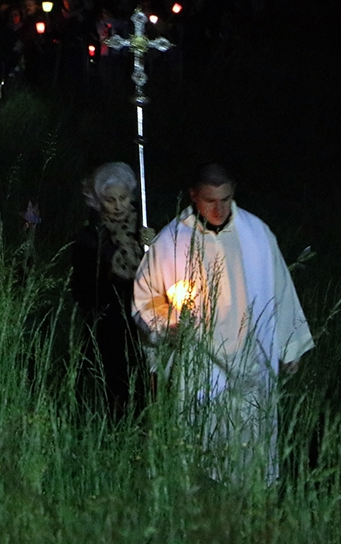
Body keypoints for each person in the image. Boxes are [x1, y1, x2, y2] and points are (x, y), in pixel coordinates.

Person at [132, 162, 314, 484]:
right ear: (193, 196)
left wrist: (290, 345)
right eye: (209, 201)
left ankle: (246, 514)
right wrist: (168, 326)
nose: (218, 209)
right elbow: (146, 301)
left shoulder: (257, 234)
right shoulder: (172, 240)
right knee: (198, 448)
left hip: (251, 360)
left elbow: (280, 288)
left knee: (249, 451)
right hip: (199, 362)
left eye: (225, 199)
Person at [69, 162, 152, 422]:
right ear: (98, 201)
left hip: (143, 325)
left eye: (123, 198)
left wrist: (155, 247)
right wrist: (108, 272)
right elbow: (81, 290)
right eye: (110, 200)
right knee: (111, 394)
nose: (118, 206)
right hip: (107, 327)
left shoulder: (145, 230)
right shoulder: (89, 236)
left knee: (144, 389)